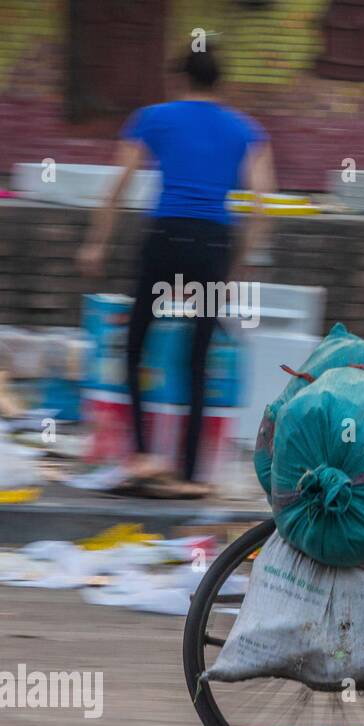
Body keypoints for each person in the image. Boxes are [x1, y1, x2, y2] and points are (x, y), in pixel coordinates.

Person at [78, 44, 275, 498]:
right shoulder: (246, 130)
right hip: (212, 246)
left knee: (134, 345)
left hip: (164, 240)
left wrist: (96, 244)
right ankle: (190, 473)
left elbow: (117, 187)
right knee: (198, 357)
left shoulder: (153, 117)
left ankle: (144, 456)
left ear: (179, 80)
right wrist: (240, 262)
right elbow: (263, 204)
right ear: (221, 83)